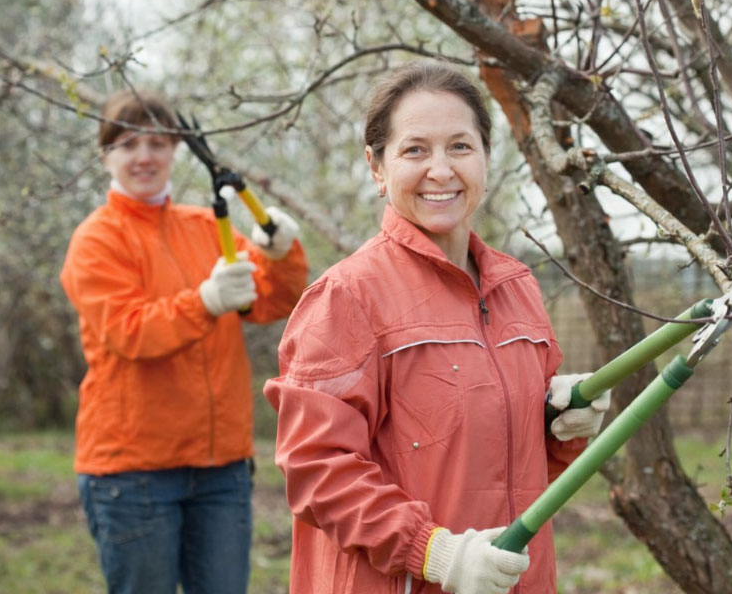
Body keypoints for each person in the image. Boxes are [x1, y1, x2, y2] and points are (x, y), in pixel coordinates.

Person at [263, 61, 611, 594]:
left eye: (460, 147)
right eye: (415, 150)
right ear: (377, 167)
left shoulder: (516, 287)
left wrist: (563, 424)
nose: (441, 170)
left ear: (486, 157)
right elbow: (316, 470)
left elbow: (514, 470)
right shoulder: (347, 297)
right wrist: (433, 552)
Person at [60, 89, 308, 594]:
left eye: (156, 143)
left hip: (221, 470)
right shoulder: (96, 240)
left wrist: (282, 253)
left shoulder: (206, 226)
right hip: (133, 473)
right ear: (105, 155)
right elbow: (129, 332)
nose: (144, 156)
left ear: (175, 149)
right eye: (128, 144)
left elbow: (276, 299)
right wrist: (205, 302)